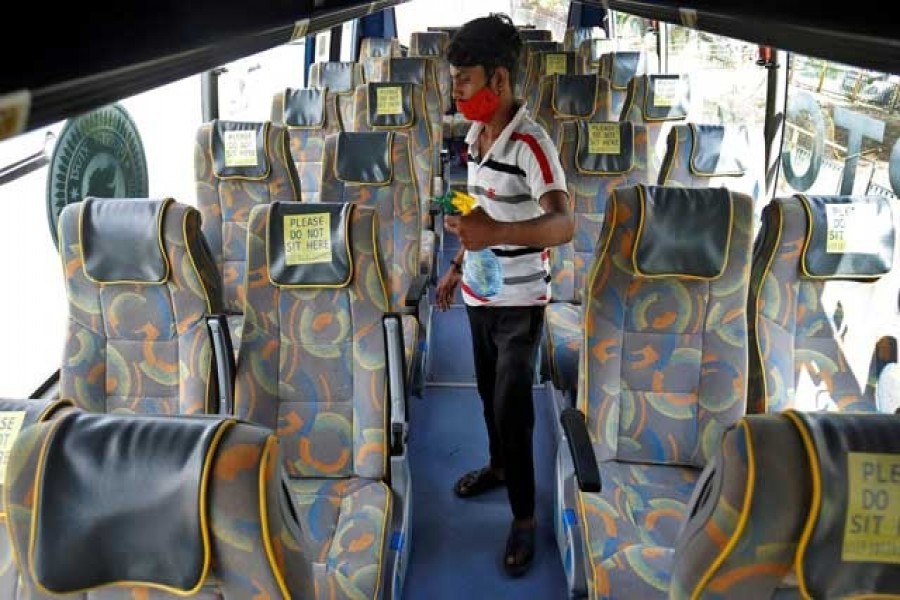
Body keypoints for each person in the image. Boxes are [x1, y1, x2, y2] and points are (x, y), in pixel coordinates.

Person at [436, 13, 573, 577]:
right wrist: (457, 264)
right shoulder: (475, 137)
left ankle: (524, 518)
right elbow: (478, 212)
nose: (457, 92)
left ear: (497, 80)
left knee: (513, 408)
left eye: (464, 81)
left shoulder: (532, 145)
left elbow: (562, 225)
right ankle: (497, 465)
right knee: (489, 393)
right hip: (478, 294)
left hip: (520, 304)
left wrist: (497, 235)